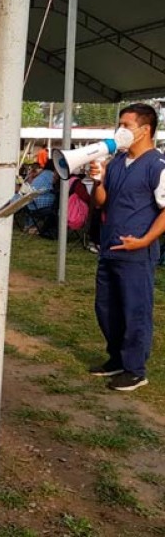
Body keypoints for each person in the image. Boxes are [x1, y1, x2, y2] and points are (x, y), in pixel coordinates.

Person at [88, 103, 165, 391]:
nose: (121, 130)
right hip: (110, 246)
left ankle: (135, 369)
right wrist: (99, 180)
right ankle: (116, 358)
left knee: (135, 309)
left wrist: (145, 240)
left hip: (136, 253)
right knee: (106, 307)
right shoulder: (117, 162)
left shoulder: (157, 166)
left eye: (127, 125)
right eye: (119, 124)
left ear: (145, 130)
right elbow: (100, 201)